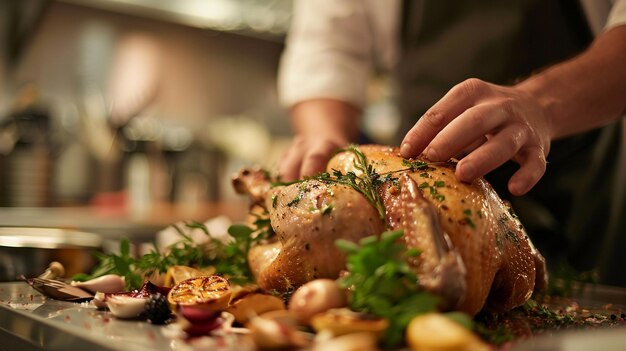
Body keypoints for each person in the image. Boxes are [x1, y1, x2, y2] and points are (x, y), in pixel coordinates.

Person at [277, 0, 626, 286]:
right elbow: (327, 48)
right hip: (414, 171)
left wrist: (541, 104)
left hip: (581, 164)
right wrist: (323, 133)